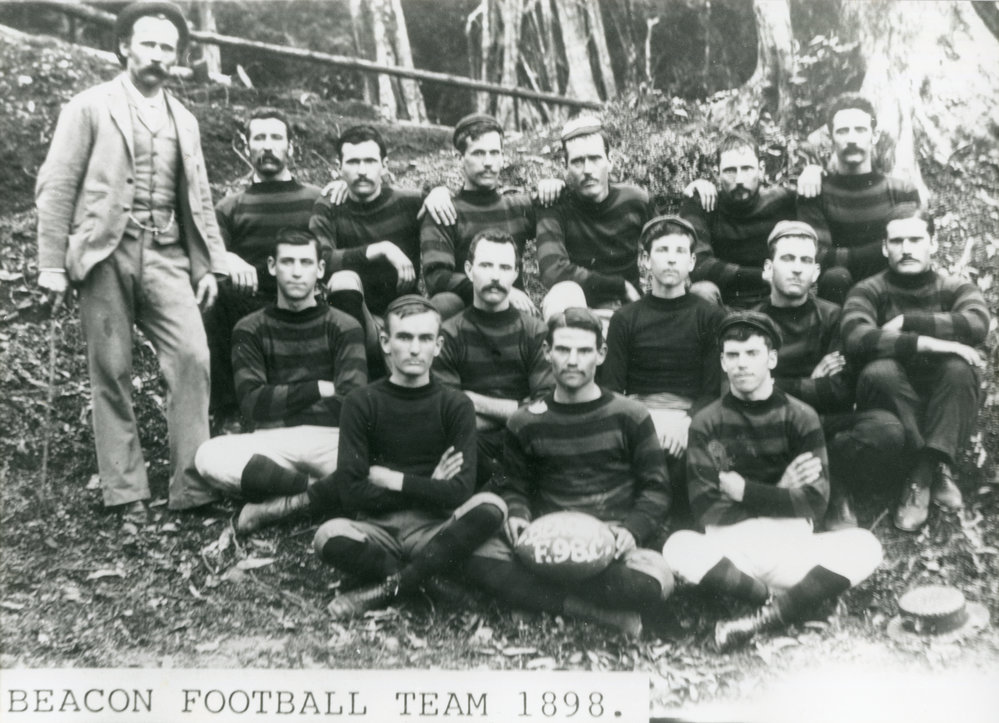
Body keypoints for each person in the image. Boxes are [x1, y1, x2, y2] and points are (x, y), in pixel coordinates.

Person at [35, 1, 227, 522]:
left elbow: (200, 199)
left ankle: (193, 486)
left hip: (166, 254)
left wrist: (207, 264)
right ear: (124, 47)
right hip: (104, 253)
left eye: (168, 48)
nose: (159, 56)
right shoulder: (89, 106)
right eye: (149, 44)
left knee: (192, 358)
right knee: (112, 369)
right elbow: (57, 185)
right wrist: (51, 264)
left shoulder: (184, 119)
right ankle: (126, 492)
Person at [663, 312, 882, 651]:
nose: (742, 364)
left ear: (772, 359)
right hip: (733, 549)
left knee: (866, 545)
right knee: (677, 546)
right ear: (722, 362)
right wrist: (782, 489)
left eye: (752, 353)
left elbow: (815, 502)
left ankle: (764, 617)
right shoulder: (707, 423)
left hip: (790, 545)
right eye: (733, 355)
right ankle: (772, 601)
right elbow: (708, 508)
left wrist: (745, 491)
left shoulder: (800, 416)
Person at [464, 308, 673, 637]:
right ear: (547, 352)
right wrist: (517, 514)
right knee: (475, 557)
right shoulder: (525, 421)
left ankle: (539, 598)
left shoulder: (630, 415)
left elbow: (656, 488)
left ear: (601, 354)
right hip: (548, 543)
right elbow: (514, 485)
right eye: (563, 349)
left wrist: (632, 530)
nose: (572, 361)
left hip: (613, 544)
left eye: (584, 350)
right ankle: (595, 613)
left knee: (651, 583)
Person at [311, 295, 506, 619]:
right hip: (378, 528)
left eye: (425, 338)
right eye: (404, 337)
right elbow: (351, 492)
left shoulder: (455, 404)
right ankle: (430, 581)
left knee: (492, 507)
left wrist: (396, 480)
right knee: (327, 537)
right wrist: (430, 485)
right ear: (385, 342)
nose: (415, 349)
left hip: (436, 527)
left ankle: (389, 587)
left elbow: (458, 492)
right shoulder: (361, 402)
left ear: (438, 345)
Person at [194, 230, 367, 534]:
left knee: (379, 462)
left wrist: (278, 403)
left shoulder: (344, 325)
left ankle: (281, 505)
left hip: (331, 440)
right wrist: (318, 388)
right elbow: (252, 404)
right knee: (208, 456)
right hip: (273, 443)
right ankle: (318, 492)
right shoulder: (250, 328)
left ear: (321, 269)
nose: (297, 272)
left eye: (305, 262)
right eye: (288, 262)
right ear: (272, 267)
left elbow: (351, 402)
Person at [841, 207, 989, 532]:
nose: (906, 248)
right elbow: (855, 337)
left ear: (932, 243)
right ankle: (933, 468)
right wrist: (931, 342)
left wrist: (908, 322)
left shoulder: (955, 287)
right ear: (884, 248)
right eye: (897, 241)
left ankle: (920, 476)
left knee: (960, 369)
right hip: (892, 402)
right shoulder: (868, 290)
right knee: (880, 371)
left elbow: (977, 323)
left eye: (915, 239)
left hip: (943, 398)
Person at [756, 221, 905, 530]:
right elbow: (740, 390)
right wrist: (813, 383)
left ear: (816, 273)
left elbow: (840, 390)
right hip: (770, 426)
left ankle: (832, 482)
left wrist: (772, 383)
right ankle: (823, 492)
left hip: (822, 425)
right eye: (787, 258)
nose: (797, 268)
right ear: (768, 269)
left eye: (806, 260)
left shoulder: (834, 316)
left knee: (886, 429)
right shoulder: (750, 322)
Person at [602, 216, 724, 517]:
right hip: (639, 416)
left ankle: (687, 530)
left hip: (693, 418)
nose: (671, 259)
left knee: (710, 462)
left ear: (692, 261)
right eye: (662, 250)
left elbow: (713, 389)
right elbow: (611, 388)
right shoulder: (625, 319)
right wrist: (647, 422)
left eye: (680, 251)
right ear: (645, 259)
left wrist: (687, 424)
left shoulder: (709, 317)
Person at [208, 107, 323, 421]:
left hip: (309, 300)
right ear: (247, 147)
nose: (268, 146)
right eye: (259, 138)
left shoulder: (317, 199)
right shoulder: (230, 207)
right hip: (252, 305)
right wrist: (227, 257)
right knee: (213, 294)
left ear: (291, 147)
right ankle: (228, 413)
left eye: (276, 137)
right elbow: (208, 249)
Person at [433, 229, 554, 487]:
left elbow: (545, 408)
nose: (496, 276)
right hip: (471, 449)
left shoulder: (535, 332)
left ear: (516, 274)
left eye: (505, 267)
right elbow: (447, 412)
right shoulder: (449, 333)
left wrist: (472, 399)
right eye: (486, 265)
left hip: (526, 443)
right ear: (469, 270)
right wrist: (519, 408)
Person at [310, 125, 424, 376]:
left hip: (406, 313)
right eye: (353, 162)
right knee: (342, 280)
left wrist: (439, 193)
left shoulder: (410, 202)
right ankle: (361, 380)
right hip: (356, 315)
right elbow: (321, 260)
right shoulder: (329, 206)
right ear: (339, 167)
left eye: (370, 161)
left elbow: (452, 211)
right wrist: (381, 249)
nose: (362, 170)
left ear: (384, 165)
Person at [420, 113, 547, 319]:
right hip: (465, 313)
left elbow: (567, 212)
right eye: (478, 153)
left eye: (494, 153)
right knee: (443, 303)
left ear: (502, 157)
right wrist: (499, 290)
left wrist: (553, 186)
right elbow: (437, 278)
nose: (488, 162)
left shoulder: (518, 207)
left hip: (512, 313)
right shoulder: (445, 210)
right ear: (460, 159)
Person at [797, 93, 921, 304]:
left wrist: (845, 256)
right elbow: (818, 255)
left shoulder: (901, 191)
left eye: (860, 130)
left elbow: (910, 250)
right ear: (830, 137)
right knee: (835, 277)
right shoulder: (815, 192)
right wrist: (885, 249)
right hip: (839, 297)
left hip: (892, 292)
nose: (852, 139)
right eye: (843, 131)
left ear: (875, 135)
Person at [537, 117, 654, 326]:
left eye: (595, 158)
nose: (587, 169)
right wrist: (620, 286)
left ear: (610, 161)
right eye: (577, 161)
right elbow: (553, 271)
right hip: (580, 309)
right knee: (561, 293)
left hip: (629, 307)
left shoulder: (635, 200)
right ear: (565, 167)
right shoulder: (555, 206)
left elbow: (668, 246)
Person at [680, 133, 798, 309]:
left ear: (761, 169)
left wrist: (813, 173)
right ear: (716, 173)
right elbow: (698, 264)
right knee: (702, 292)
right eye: (730, 170)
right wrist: (764, 276)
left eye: (747, 169)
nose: (739, 180)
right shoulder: (701, 204)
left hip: (774, 300)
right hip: (723, 303)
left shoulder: (782, 201)